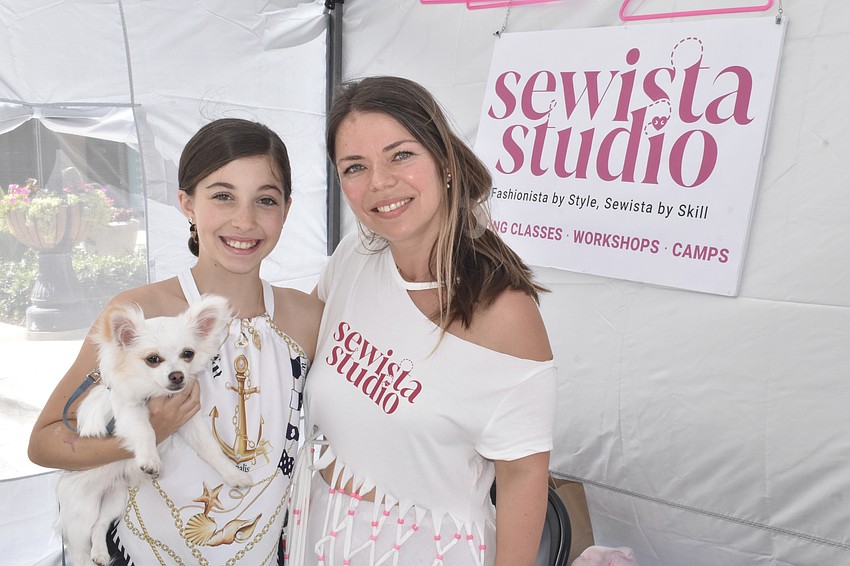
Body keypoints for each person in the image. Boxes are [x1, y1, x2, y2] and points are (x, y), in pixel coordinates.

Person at [285, 76, 556, 566]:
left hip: (427, 551)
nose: (379, 182)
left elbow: (524, 476)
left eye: (401, 155)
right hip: (318, 532)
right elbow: (294, 342)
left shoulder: (505, 313)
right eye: (355, 167)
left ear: (444, 161)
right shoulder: (353, 258)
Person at [28, 118, 323, 566]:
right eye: (223, 196)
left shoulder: (307, 317)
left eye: (265, 199)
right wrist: (149, 436)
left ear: (286, 209)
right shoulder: (138, 312)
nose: (245, 220)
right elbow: (45, 441)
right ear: (186, 203)